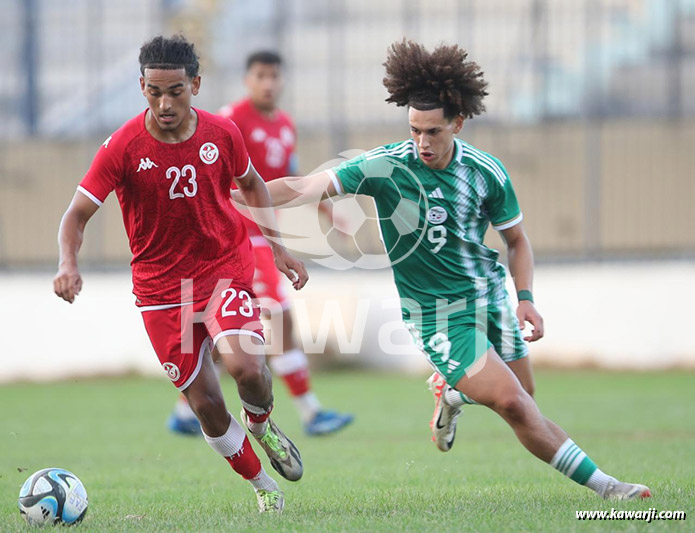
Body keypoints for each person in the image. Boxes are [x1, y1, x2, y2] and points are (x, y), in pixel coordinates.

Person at [236, 40, 651, 500]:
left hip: (490, 296)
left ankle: (452, 393)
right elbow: (304, 185)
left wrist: (526, 299)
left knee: (524, 398)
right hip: (437, 313)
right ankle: (611, 489)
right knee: (512, 403)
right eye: (414, 129)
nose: (422, 142)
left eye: (433, 131)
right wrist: (234, 194)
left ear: (458, 122)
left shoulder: (486, 173)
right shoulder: (386, 166)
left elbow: (517, 241)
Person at [53, 35, 307, 513]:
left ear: (195, 84)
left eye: (175, 91)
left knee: (247, 368)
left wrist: (280, 250)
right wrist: (68, 263)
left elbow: (252, 185)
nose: (165, 103)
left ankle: (261, 424)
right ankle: (264, 489)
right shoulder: (123, 146)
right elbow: (75, 215)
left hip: (223, 271)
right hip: (161, 291)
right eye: (154, 92)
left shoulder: (223, 133)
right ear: (141, 86)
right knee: (207, 405)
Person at [167, 50, 353, 437]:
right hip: (237, 237)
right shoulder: (230, 119)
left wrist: (328, 212)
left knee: (230, 332)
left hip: (264, 237)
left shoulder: (285, 125)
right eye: (260, 76)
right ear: (247, 80)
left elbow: (292, 177)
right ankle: (311, 412)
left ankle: (186, 412)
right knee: (281, 320)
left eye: (274, 76)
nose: (268, 83)